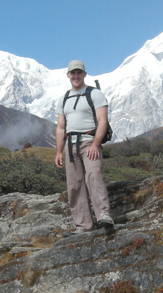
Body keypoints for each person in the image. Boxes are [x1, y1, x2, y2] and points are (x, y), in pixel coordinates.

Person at [54, 60, 114, 234]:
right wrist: (58, 151)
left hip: (89, 142)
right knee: (74, 185)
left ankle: (103, 215)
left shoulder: (95, 94)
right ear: (68, 75)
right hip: (70, 145)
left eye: (79, 72)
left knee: (94, 175)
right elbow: (60, 127)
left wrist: (96, 143)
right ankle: (83, 226)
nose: (76, 76)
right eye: (73, 73)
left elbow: (103, 121)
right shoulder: (63, 99)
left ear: (84, 74)